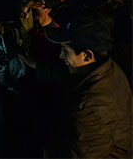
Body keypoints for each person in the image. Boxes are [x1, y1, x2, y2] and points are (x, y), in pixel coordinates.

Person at [31, 16, 132, 158]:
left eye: (65, 50)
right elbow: (70, 77)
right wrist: (36, 66)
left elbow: (80, 155)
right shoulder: (103, 68)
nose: (61, 56)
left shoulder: (96, 106)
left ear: (86, 56)